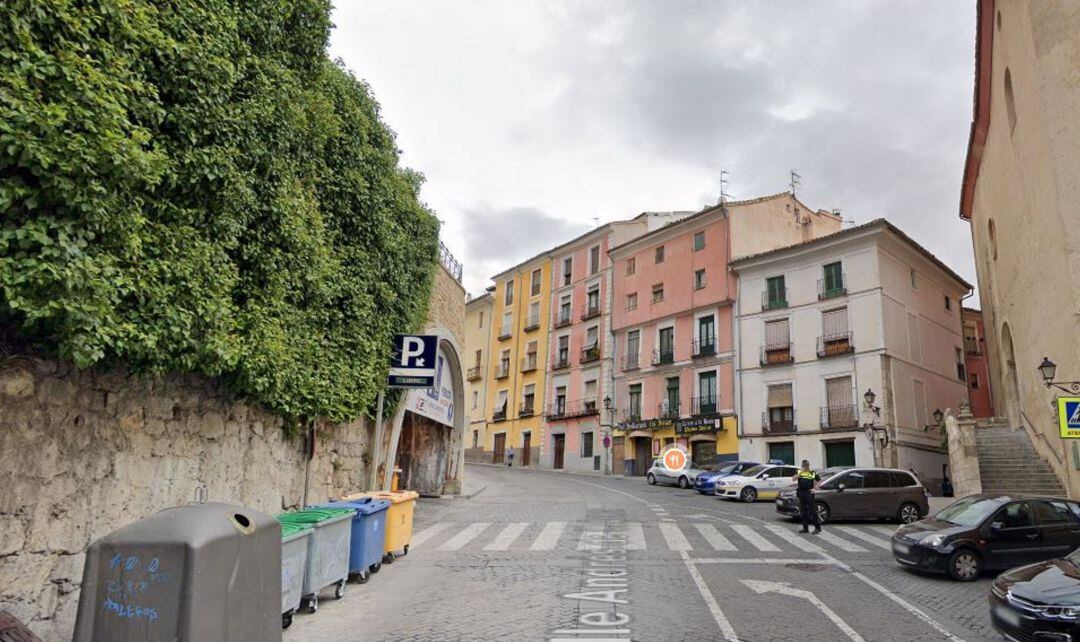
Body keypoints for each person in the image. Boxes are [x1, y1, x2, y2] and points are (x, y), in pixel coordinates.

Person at [791, 460, 822, 534]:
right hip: (801, 492)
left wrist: (815, 488)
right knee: (803, 511)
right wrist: (801, 472)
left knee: (812, 510)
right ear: (802, 466)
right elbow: (793, 479)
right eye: (804, 466)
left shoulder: (812, 473)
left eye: (807, 466)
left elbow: (819, 481)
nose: (806, 467)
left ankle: (817, 527)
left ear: (808, 466)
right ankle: (805, 528)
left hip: (809, 492)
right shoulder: (799, 472)